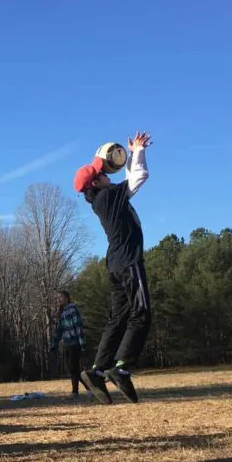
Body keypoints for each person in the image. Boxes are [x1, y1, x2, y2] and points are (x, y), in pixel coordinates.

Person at [74, 131, 152, 404]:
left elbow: (129, 181)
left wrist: (131, 154)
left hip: (115, 264)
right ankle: (121, 368)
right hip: (129, 261)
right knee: (141, 314)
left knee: (118, 317)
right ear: (97, 181)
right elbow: (138, 178)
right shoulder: (108, 197)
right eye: (103, 172)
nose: (108, 173)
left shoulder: (101, 199)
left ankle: (96, 371)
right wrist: (138, 151)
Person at [49, 291, 86, 399]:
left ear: (67, 298)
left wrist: (82, 343)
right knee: (71, 368)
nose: (59, 299)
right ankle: (88, 388)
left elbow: (78, 326)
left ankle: (75, 392)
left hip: (75, 343)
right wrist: (54, 344)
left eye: (61, 297)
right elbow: (59, 330)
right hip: (66, 343)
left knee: (73, 367)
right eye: (58, 298)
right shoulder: (62, 312)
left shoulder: (72, 309)